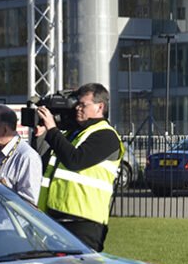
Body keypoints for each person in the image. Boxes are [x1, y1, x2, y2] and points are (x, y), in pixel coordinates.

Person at [34, 83, 124, 250]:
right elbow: (45, 164)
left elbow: (75, 161)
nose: (78, 109)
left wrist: (52, 130)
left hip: (84, 223)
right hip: (55, 218)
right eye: (77, 104)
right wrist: (41, 136)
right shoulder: (73, 134)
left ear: (100, 107)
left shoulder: (106, 135)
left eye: (83, 105)